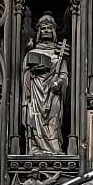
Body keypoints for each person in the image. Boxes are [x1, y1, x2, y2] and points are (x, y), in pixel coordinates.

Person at [21, 13, 68, 154]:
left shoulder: (59, 54)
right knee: (34, 116)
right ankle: (36, 147)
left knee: (53, 117)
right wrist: (32, 72)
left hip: (53, 93)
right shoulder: (32, 53)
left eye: (49, 28)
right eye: (43, 28)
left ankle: (54, 147)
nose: (46, 30)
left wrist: (60, 83)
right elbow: (24, 75)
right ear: (39, 32)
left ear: (53, 31)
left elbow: (64, 74)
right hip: (36, 91)